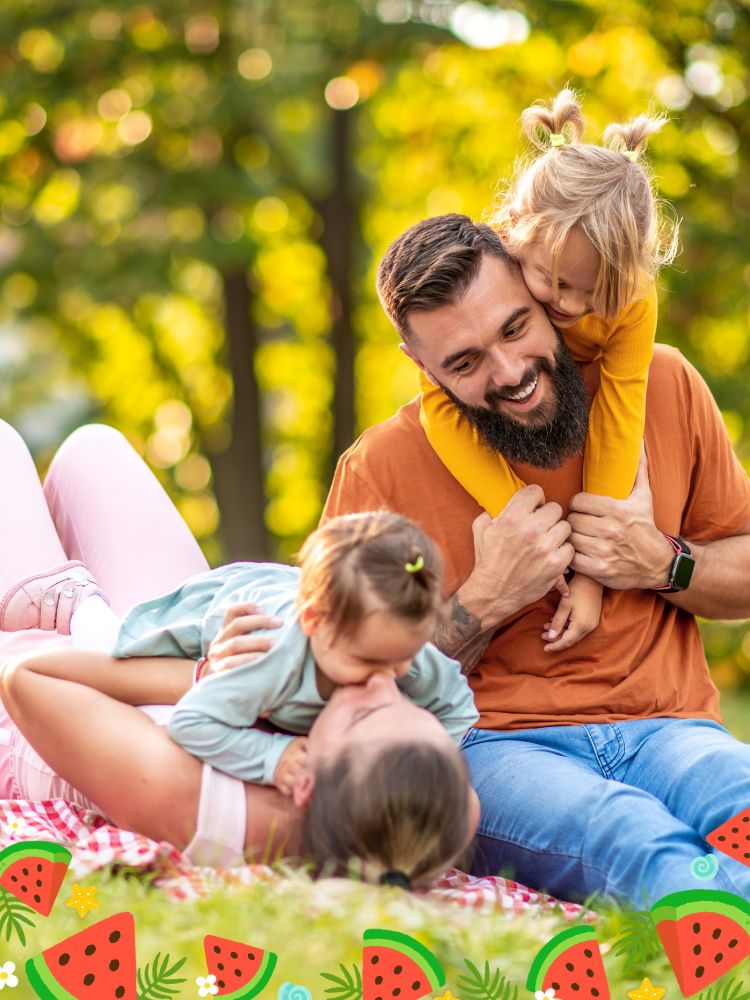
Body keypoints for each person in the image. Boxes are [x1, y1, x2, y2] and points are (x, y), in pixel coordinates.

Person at [322, 211, 750, 907]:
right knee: (629, 832)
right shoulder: (379, 469)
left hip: (673, 729)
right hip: (498, 749)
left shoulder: (662, 382)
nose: (511, 372)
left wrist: (662, 562)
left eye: (515, 327)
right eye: (465, 362)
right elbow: (336, 684)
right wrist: (483, 601)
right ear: (421, 365)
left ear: (541, 292)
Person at [0, 420, 479, 888]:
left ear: (305, 783)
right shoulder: (411, 808)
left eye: (364, 713)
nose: (384, 683)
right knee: (95, 448)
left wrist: (203, 674)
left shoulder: (192, 796)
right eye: (413, 709)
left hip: (61, 696)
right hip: (192, 637)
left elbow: (27, 676)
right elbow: (463, 801)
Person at [420, 89, 678, 652]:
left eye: (596, 292)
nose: (571, 306)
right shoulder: (489, 273)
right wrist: (522, 519)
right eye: (555, 283)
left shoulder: (633, 299)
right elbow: (439, 402)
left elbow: (618, 416)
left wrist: (591, 576)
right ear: (516, 230)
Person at [103, 511, 478, 793]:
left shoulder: (391, 640)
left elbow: (458, 706)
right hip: (219, 609)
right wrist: (273, 755)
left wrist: (426, 763)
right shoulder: (272, 657)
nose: (387, 677)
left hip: (311, 596)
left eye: (404, 658)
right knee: (107, 638)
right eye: (368, 662)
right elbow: (192, 722)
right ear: (314, 622)